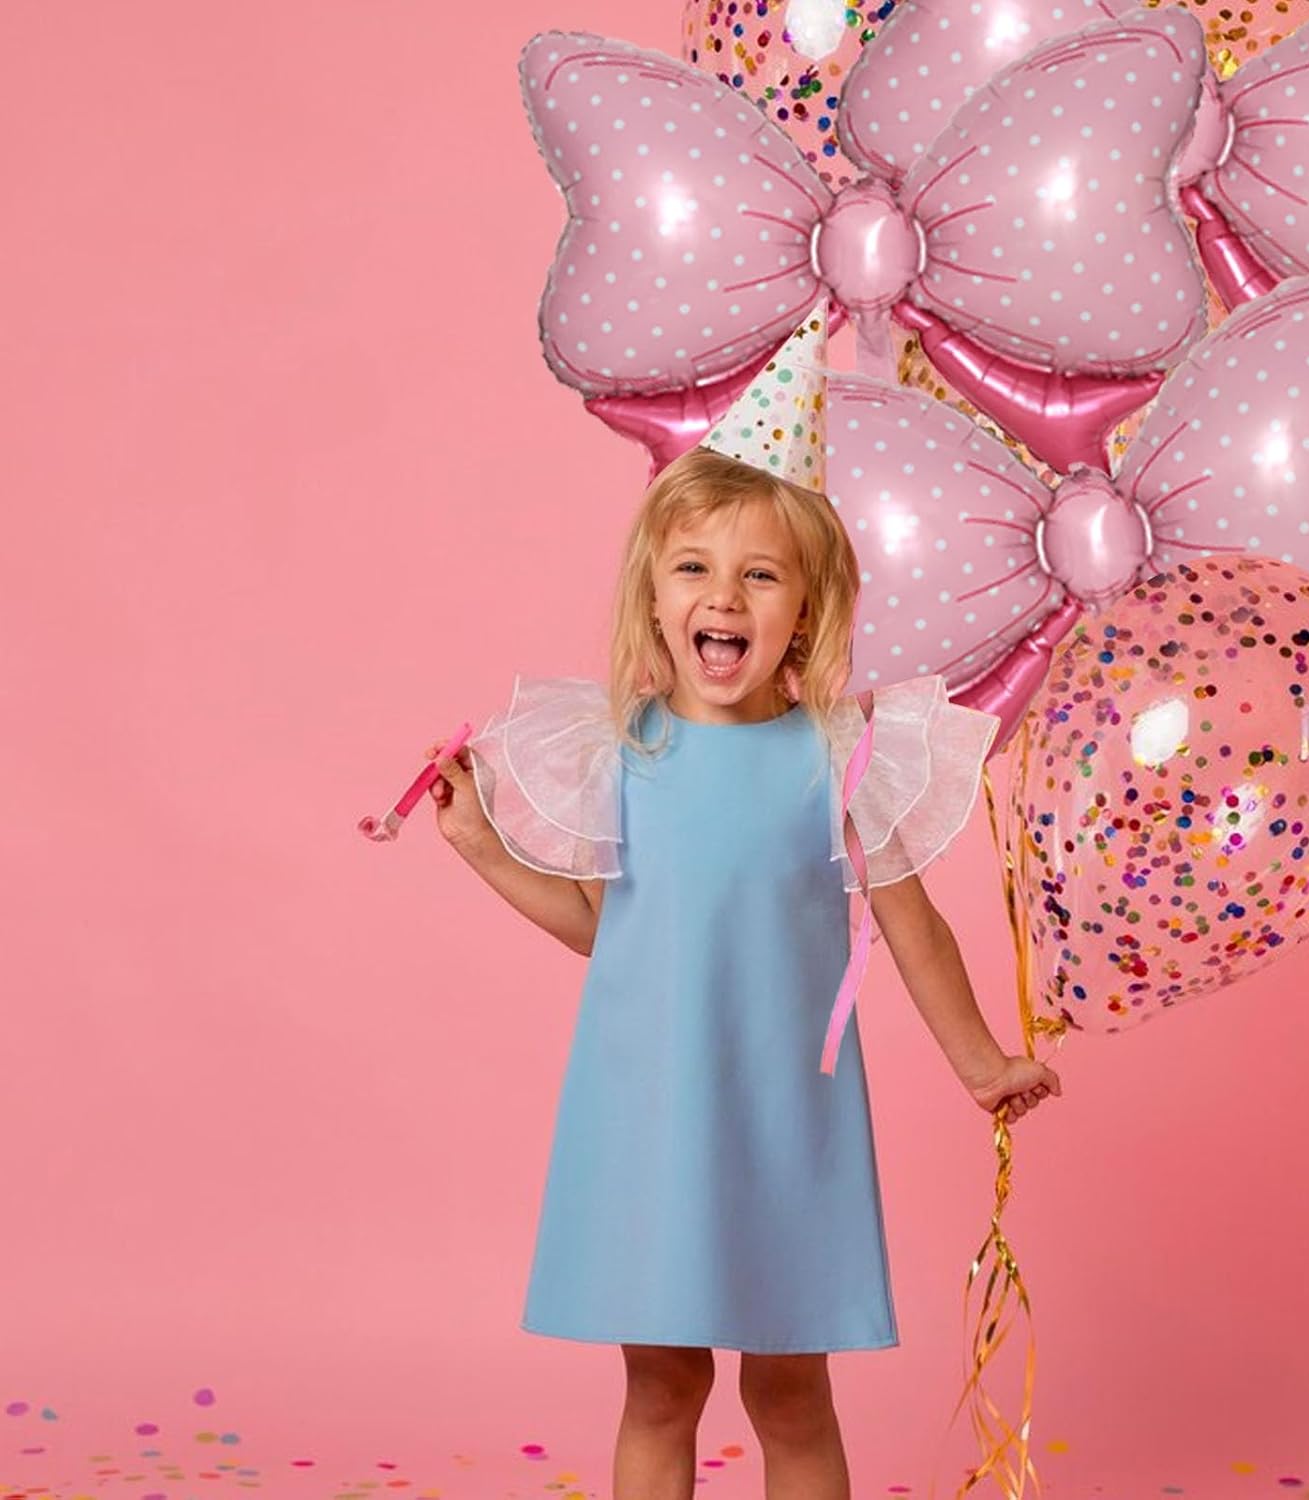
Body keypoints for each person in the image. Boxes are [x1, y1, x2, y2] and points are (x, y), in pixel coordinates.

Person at [419, 314, 1061, 1500]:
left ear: (804, 611)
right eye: (695, 570)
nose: (725, 596)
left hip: (782, 1115)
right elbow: (607, 929)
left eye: (760, 574)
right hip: (650, 1109)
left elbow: (912, 926)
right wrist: (479, 848)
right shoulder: (620, 751)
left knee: (789, 1392)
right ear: (656, 598)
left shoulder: (839, 756)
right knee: (661, 1387)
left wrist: (981, 1062)